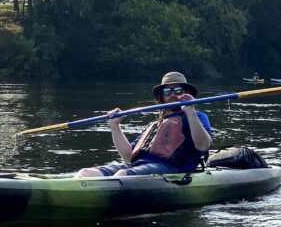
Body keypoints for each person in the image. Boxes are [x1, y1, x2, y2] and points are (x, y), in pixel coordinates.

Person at [77, 72, 213, 177]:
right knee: (86, 173)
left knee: (122, 176)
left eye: (178, 91)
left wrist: (190, 111)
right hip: (138, 165)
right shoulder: (156, 123)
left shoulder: (196, 116)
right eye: (167, 91)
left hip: (170, 167)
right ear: (161, 97)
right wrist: (115, 126)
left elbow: (204, 145)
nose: (172, 95)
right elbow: (128, 157)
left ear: (187, 93)